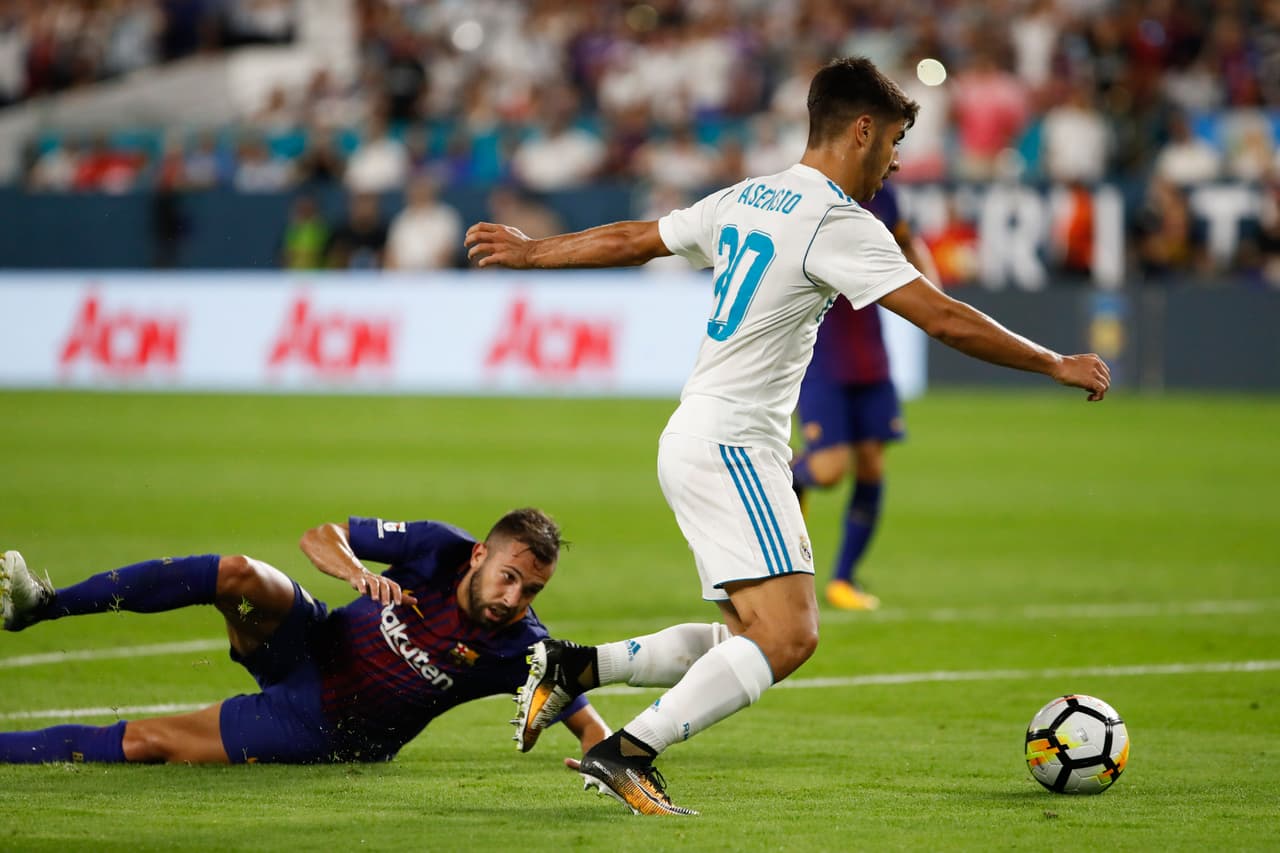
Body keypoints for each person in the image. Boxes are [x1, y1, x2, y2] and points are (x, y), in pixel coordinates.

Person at [465, 56, 1110, 816]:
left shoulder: (751, 195)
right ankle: (626, 750)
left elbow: (640, 237)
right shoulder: (837, 222)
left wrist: (536, 248)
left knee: (748, 633)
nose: (896, 160)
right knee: (792, 634)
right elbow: (940, 316)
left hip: (701, 434)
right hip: (733, 442)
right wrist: (1052, 360)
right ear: (862, 129)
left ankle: (576, 666)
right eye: (895, 140)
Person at [0, 509, 608, 765]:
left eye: (530, 591)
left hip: (323, 727)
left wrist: (604, 758)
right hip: (308, 641)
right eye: (508, 578)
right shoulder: (436, 546)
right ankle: (43, 606)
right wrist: (358, 574)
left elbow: (583, 716)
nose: (513, 599)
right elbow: (322, 536)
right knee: (237, 574)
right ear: (479, 555)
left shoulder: (519, 648)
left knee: (146, 743)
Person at [791, 182, 941, 611]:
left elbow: (908, 242)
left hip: (870, 355)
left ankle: (843, 579)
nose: (894, 159)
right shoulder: (816, 196)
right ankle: (787, 478)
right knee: (830, 469)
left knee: (873, 463)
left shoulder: (888, 197)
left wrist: (937, 297)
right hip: (823, 355)